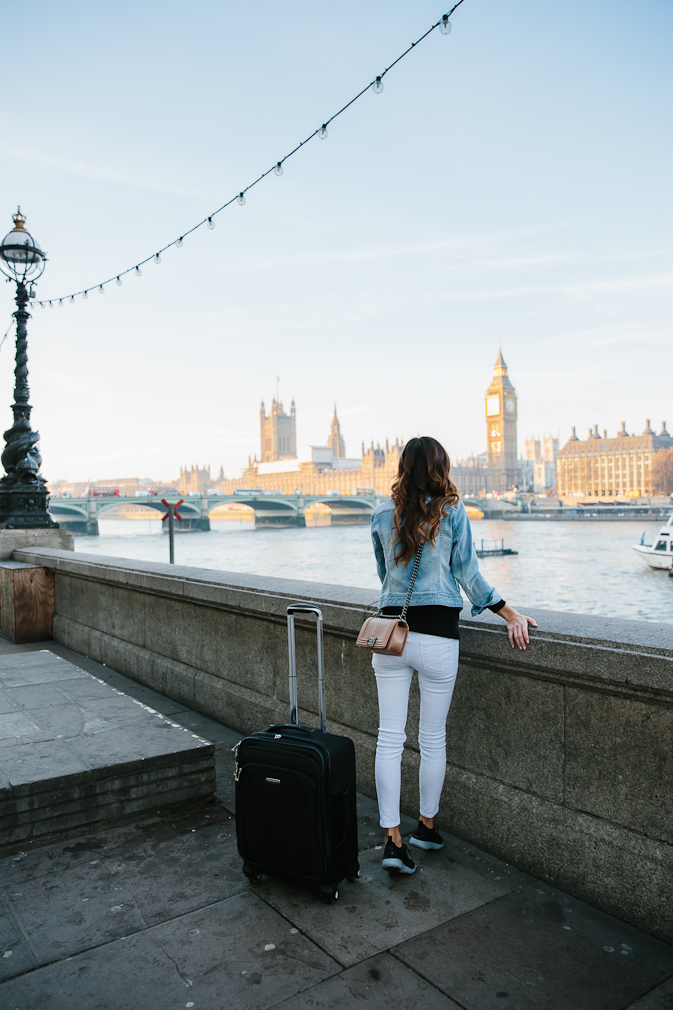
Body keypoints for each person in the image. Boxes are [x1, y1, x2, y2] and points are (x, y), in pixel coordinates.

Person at [370, 436, 537, 875]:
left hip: (391, 635)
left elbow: (385, 576)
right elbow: (468, 574)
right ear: (441, 466)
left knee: (389, 738)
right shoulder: (451, 509)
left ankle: (391, 839)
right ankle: (426, 826)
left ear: (403, 467)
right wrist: (510, 613)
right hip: (439, 638)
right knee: (432, 740)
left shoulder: (380, 513)